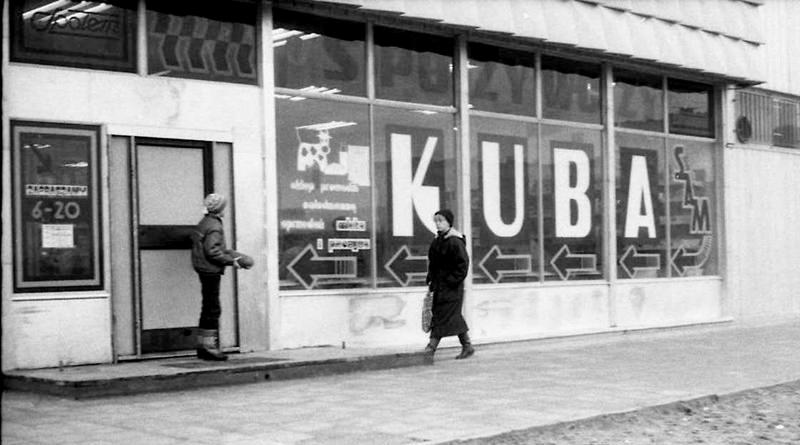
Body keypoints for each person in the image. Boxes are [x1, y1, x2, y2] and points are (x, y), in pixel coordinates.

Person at [190, 193, 251, 361]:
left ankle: (203, 346)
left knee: (208, 306)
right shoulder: (215, 226)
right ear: (219, 209)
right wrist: (232, 261)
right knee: (213, 308)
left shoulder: (204, 222)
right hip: (210, 270)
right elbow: (213, 251)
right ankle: (209, 348)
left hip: (203, 268)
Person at [425, 209, 475, 360]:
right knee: (450, 316)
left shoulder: (454, 241)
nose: (438, 224)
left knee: (442, 316)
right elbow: (433, 263)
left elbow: (463, 265)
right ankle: (467, 345)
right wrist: (430, 279)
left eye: (441, 220)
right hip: (439, 286)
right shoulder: (437, 240)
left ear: (449, 222)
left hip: (451, 288)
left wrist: (451, 281)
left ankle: (430, 348)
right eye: (436, 221)